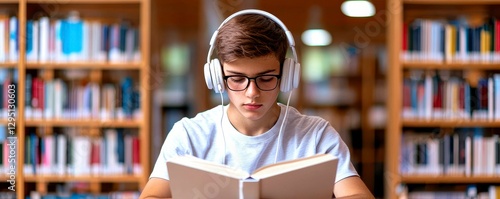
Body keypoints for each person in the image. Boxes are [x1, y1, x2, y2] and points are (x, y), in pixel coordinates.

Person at [140, 9, 374, 199]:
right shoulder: (189, 134)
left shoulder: (316, 135)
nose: (252, 93)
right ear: (217, 78)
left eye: (266, 78)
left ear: (287, 75)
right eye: (237, 78)